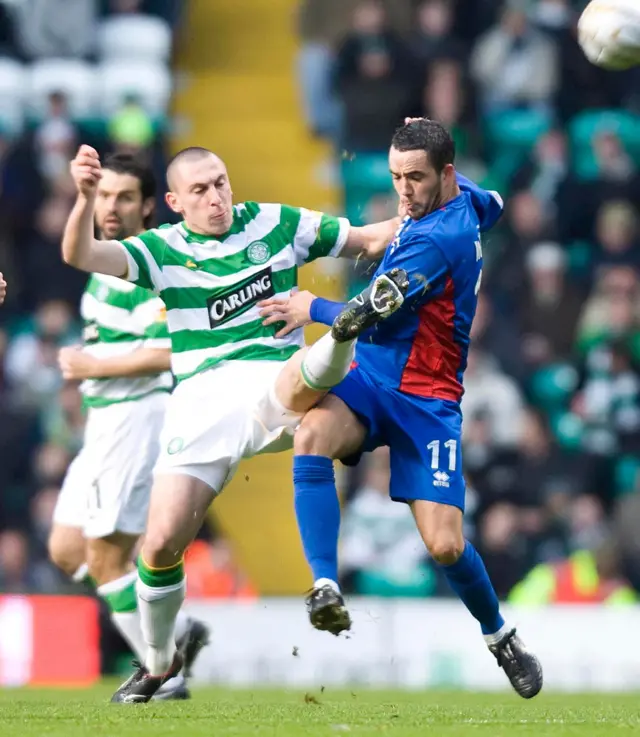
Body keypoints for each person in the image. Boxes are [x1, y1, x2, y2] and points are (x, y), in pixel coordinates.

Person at [61, 144, 408, 702]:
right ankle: (158, 661)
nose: (216, 196)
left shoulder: (276, 222)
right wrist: (82, 197)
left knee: (297, 377)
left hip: (275, 380)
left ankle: (344, 327)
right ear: (174, 202)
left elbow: (369, 239)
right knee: (160, 545)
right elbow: (80, 254)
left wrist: (435, 205)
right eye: (199, 190)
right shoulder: (161, 250)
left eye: (220, 182)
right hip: (201, 402)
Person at [273, 119, 544, 699]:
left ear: (444, 175)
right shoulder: (473, 199)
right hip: (371, 376)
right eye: (396, 175)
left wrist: (308, 304)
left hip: (429, 399)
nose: (402, 190)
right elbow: (493, 204)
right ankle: (324, 584)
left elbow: (362, 314)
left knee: (445, 544)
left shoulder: (437, 239)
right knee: (311, 434)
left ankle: (500, 637)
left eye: (414, 178)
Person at [50, 153, 208, 700]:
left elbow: (171, 349)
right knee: (69, 548)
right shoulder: (103, 260)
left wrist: (95, 364)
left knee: (106, 557)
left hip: (137, 417)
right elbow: (74, 251)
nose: (110, 208)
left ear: (147, 206)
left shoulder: (151, 265)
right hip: (104, 421)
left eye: (123, 198)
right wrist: (83, 194)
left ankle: (163, 672)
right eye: (104, 196)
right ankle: (182, 635)